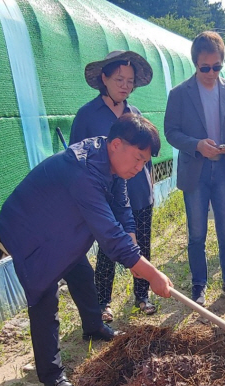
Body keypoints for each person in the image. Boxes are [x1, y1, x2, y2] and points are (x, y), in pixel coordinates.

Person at [0, 114, 172, 386]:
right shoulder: (83, 172)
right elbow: (109, 236)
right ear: (117, 145)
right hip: (28, 228)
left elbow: (122, 205)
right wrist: (151, 274)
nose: (140, 169)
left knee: (80, 272)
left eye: (145, 163)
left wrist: (133, 239)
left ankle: (93, 326)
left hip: (60, 225)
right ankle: (52, 377)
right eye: (138, 159)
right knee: (44, 296)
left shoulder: (111, 162)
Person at [71, 50, 158, 321]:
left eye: (130, 80)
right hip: (107, 196)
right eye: (119, 79)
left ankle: (142, 295)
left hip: (139, 192)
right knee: (109, 247)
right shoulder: (87, 115)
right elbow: (76, 157)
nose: (125, 85)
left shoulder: (136, 114)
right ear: (104, 78)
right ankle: (103, 302)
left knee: (141, 244)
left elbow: (147, 157)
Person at [164, 31, 225, 306]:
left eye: (216, 67)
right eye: (205, 67)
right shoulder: (179, 94)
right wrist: (197, 144)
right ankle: (199, 284)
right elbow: (171, 132)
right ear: (195, 63)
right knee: (197, 233)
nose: (211, 73)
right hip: (196, 172)